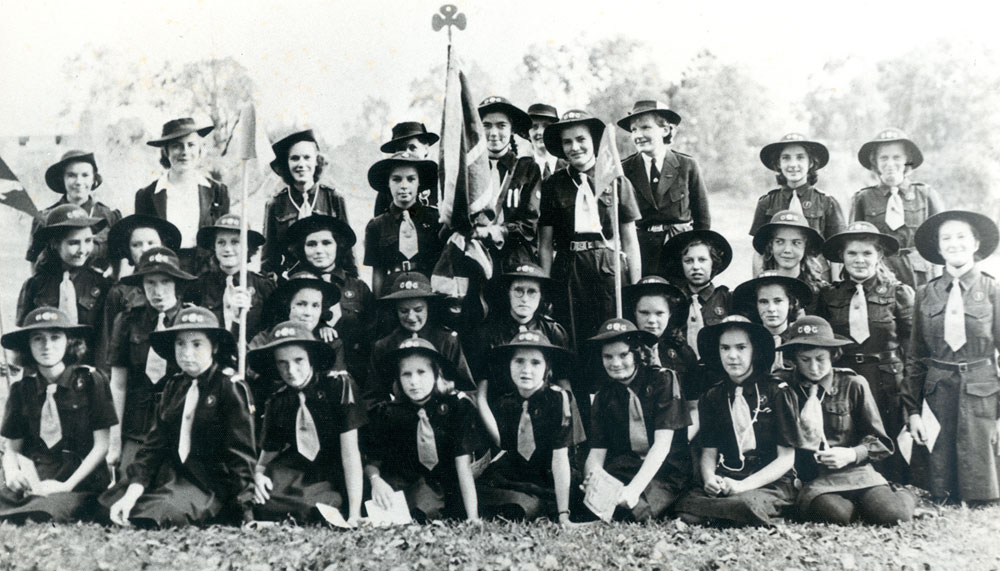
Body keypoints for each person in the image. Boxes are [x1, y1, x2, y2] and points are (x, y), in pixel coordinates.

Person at [102, 306, 256, 528]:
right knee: (108, 506)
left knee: (159, 515)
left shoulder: (229, 387)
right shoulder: (174, 386)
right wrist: (134, 489)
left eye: (196, 344)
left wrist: (244, 509)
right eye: (180, 344)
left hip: (208, 482)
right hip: (173, 475)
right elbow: (153, 447)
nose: (187, 353)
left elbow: (240, 456)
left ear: (214, 347)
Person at [904, 210, 1000, 504]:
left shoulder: (992, 289)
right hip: (939, 391)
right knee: (940, 490)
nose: (954, 243)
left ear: (975, 243)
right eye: (947, 237)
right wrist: (913, 412)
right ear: (938, 246)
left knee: (982, 488)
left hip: (981, 391)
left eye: (962, 236)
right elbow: (916, 356)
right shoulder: (926, 293)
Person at [779, 316, 913, 525]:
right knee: (837, 515)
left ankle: (900, 495)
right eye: (805, 360)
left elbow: (881, 442)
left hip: (855, 471)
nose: (814, 367)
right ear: (794, 359)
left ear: (833, 355)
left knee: (894, 515)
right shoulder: (783, 388)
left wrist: (851, 454)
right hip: (815, 478)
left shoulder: (853, 384)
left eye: (820, 358)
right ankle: (858, 508)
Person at [673, 317, 800, 526]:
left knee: (745, 503)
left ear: (754, 350)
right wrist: (709, 479)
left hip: (769, 481)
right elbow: (709, 452)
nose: (732, 356)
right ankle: (730, 513)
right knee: (685, 502)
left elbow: (786, 458)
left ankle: (731, 512)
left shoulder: (777, 392)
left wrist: (744, 486)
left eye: (741, 347)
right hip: (729, 477)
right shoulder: (712, 396)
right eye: (725, 348)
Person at [0, 308, 117, 523]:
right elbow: (11, 449)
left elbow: (102, 445)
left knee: (47, 511)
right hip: (38, 479)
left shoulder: (91, 381)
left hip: (80, 481)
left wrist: (66, 486)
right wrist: (12, 474)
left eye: (55, 337)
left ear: (69, 342)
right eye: (38, 339)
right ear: (28, 345)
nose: (47, 346)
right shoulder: (21, 390)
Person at [817, 221, 913, 482]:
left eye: (867, 253)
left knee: (886, 434)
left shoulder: (898, 293)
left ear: (879, 256)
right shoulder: (828, 296)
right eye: (852, 253)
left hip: (886, 378)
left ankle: (890, 482)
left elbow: (913, 345)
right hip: (846, 376)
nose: (860, 260)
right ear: (842, 257)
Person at [538, 110, 642, 348]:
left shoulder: (617, 180)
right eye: (567, 142)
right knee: (572, 334)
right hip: (569, 267)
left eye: (581, 139)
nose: (575, 147)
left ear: (594, 140)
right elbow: (544, 244)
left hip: (608, 267)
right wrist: (545, 287)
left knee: (611, 332)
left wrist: (636, 291)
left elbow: (630, 241)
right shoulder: (554, 185)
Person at [248, 321, 365, 524]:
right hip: (298, 468)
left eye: (298, 360)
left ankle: (324, 507)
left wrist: (355, 514)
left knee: (316, 503)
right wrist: (257, 477)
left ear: (311, 358)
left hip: (333, 466)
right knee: (261, 498)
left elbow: (350, 453)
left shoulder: (338, 387)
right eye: (282, 363)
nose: (291, 370)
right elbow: (267, 456)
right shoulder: (278, 400)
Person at [363, 337, 484, 522]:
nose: (414, 381)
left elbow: (463, 464)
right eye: (406, 374)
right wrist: (376, 480)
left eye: (421, 372)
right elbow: (373, 458)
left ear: (436, 374)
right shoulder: (388, 412)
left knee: (427, 506)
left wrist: (473, 517)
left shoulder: (457, 408)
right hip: (409, 482)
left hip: (446, 484)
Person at [583, 319, 691, 521]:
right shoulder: (604, 395)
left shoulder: (663, 380)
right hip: (626, 467)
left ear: (638, 353)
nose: (615, 364)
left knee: (634, 511)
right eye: (608, 357)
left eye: (623, 355)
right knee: (586, 503)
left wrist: (632, 490)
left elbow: (662, 446)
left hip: (666, 470)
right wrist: (593, 479)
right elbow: (597, 451)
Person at [106, 247, 196, 472]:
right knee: (129, 482)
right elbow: (118, 384)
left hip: (181, 425)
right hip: (138, 428)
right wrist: (115, 442)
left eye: (165, 282)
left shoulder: (192, 322)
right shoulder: (127, 321)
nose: (158, 291)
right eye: (151, 283)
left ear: (177, 283)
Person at [476, 330, 578, 523]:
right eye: (519, 361)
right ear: (509, 365)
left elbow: (560, 458)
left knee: (540, 503)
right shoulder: (506, 402)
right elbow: (507, 451)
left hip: (548, 475)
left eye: (535, 363)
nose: (526, 370)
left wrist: (564, 515)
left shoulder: (558, 399)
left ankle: (535, 506)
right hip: (516, 477)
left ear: (547, 367)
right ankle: (523, 505)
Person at [465, 262, 571, 443]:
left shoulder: (553, 332)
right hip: (501, 421)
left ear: (541, 296)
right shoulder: (486, 333)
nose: (524, 298)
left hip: (545, 423)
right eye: (518, 291)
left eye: (532, 292)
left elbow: (565, 389)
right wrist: (500, 441)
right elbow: (480, 396)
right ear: (508, 293)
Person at [618, 100, 710, 275]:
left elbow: (702, 217)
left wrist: (698, 254)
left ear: (665, 130)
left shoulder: (687, 165)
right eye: (634, 130)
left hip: (681, 248)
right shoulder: (624, 169)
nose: (638, 135)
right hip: (640, 251)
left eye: (645, 128)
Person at [282, 214, 374, 389]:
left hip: (357, 377)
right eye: (311, 244)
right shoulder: (292, 288)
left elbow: (373, 333)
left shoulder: (357, 287)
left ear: (338, 246)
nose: (319, 250)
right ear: (302, 248)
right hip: (310, 378)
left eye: (326, 243)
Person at [17, 204, 110, 364]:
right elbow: (24, 338)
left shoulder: (102, 285)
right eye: (74, 243)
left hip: (87, 370)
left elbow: (104, 339)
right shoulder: (35, 285)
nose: (83, 249)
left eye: (88, 241)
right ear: (55, 244)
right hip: (45, 369)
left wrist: (99, 378)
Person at [850, 128, 944, 288]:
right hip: (879, 272)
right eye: (884, 158)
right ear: (875, 162)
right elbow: (854, 242)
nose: (890, 164)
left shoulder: (925, 194)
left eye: (897, 157)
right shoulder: (863, 198)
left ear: (907, 160)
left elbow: (942, 236)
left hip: (919, 273)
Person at [135, 117, 229, 275]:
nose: (185, 152)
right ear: (166, 151)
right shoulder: (147, 195)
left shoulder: (217, 191)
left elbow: (224, 237)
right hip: (164, 271)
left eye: (191, 145)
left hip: (207, 273)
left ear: (199, 149)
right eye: (177, 146)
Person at [367, 272, 475, 406]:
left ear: (428, 307)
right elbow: (372, 397)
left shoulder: (446, 340)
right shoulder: (384, 346)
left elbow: (467, 390)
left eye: (418, 309)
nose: (411, 317)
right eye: (404, 311)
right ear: (395, 310)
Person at [751, 133, 845, 279]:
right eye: (786, 158)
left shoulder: (827, 202)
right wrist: (759, 282)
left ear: (811, 163)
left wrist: (836, 286)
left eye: (800, 157)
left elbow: (836, 251)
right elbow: (759, 251)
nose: (793, 164)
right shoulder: (767, 202)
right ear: (778, 163)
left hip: (817, 278)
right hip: (777, 276)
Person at [261, 129, 354, 274]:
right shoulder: (275, 203)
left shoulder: (333, 198)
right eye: (295, 158)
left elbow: (348, 253)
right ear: (287, 163)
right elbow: (268, 257)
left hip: (329, 280)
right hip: (291, 281)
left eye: (307, 157)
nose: (301, 164)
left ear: (317, 161)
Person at [98, 215, 182, 370]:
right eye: (136, 244)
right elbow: (108, 343)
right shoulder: (119, 292)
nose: (145, 249)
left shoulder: (178, 284)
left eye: (151, 243)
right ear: (128, 249)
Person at [624, 275, 701, 443]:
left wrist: (682, 438)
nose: (652, 320)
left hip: (675, 441)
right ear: (634, 312)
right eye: (644, 313)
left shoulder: (683, 352)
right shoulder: (622, 352)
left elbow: (694, 407)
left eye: (659, 313)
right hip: (633, 442)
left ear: (670, 314)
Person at [363, 152, 444, 297]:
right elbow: (378, 271)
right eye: (397, 179)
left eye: (411, 179)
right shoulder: (377, 225)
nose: (404, 186)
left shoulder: (435, 219)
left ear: (419, 182)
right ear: (388, 183)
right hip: (392, 289)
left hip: (427, 288)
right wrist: (379, 305)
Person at [185, 213, 276, 341]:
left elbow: (270, 329)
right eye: (221, 242)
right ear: (214, 247)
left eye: (235, 242)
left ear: (248, 247)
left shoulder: (263, 286)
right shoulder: (198, 285)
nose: (227, 249)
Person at [28, 150, 121, 273]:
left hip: (99, 289)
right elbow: (34, 262)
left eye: (85, 175)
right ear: (62, 179)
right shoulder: (45, 218)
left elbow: (119, 260)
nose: (78, 182)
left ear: (94, 179)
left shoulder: (109, 216)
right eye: (71, 175)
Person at [479, 96, 542, 269]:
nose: (493, 133)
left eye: (501, 125)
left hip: (515, 259)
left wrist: (497, 231)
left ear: (512, 129)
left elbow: (530, 225)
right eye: (486, 125)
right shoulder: (470, 170)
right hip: (477, 256)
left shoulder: (527, 168)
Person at [659, 230, 733, 359]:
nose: (696, 267)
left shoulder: (727, 299)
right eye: (688, 261)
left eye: (702, 260)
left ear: (713, 263)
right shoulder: (672, 301)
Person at [731, 271, 813, 373]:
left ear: (791, 303)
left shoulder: (802, 340)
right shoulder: (749, 341)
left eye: (778, 301)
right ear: (756, 305)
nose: (771, 308)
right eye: (763, 302)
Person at [751, 210, 827, 300]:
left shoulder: (821, 292)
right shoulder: (756, 290)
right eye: (779, 242)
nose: (787, 250)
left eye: (796, 243)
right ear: (771, 246)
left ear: (805, 247)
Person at [373, 121, 440, 216]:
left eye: (412, 148)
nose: (407, 154)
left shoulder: (440, 183)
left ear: (426, 148)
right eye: (401, 149)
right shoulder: (388, 190)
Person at [526, 104, 564, 181]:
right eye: (534, 127)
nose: (540, 132)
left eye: (546, 126)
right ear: (528, 134)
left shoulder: (569, 167)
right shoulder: (523, 170)